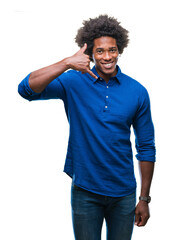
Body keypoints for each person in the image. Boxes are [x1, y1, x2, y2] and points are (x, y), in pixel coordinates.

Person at [18, 15, 156, 240]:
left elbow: (147, 147)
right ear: (90, 53)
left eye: (112, 50)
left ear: (119, 50)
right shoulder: (73, 81)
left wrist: (144, 198)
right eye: (100, 51)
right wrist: (65, 63)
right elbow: (26, 89)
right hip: (85, 191)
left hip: (124, 194)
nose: (107, 57)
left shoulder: (137, 91)